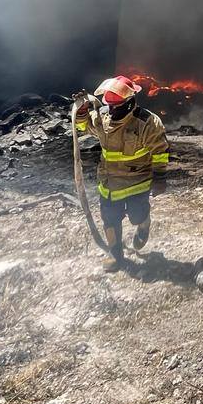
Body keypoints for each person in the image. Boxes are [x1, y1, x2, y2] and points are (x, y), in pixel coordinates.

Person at [74, 74, 169, 266]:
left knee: (137, 216)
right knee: (110, 220)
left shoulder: (147, 122)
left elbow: (160, 151)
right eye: (109, 106)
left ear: (129, 102)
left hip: (137, 182)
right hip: (109, 183)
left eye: (116, 106)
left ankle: (143, 224)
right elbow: (84, 126)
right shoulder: (103, 116)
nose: (112, 110)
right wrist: (82, 111)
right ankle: (115, 255)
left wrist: (160, 177)